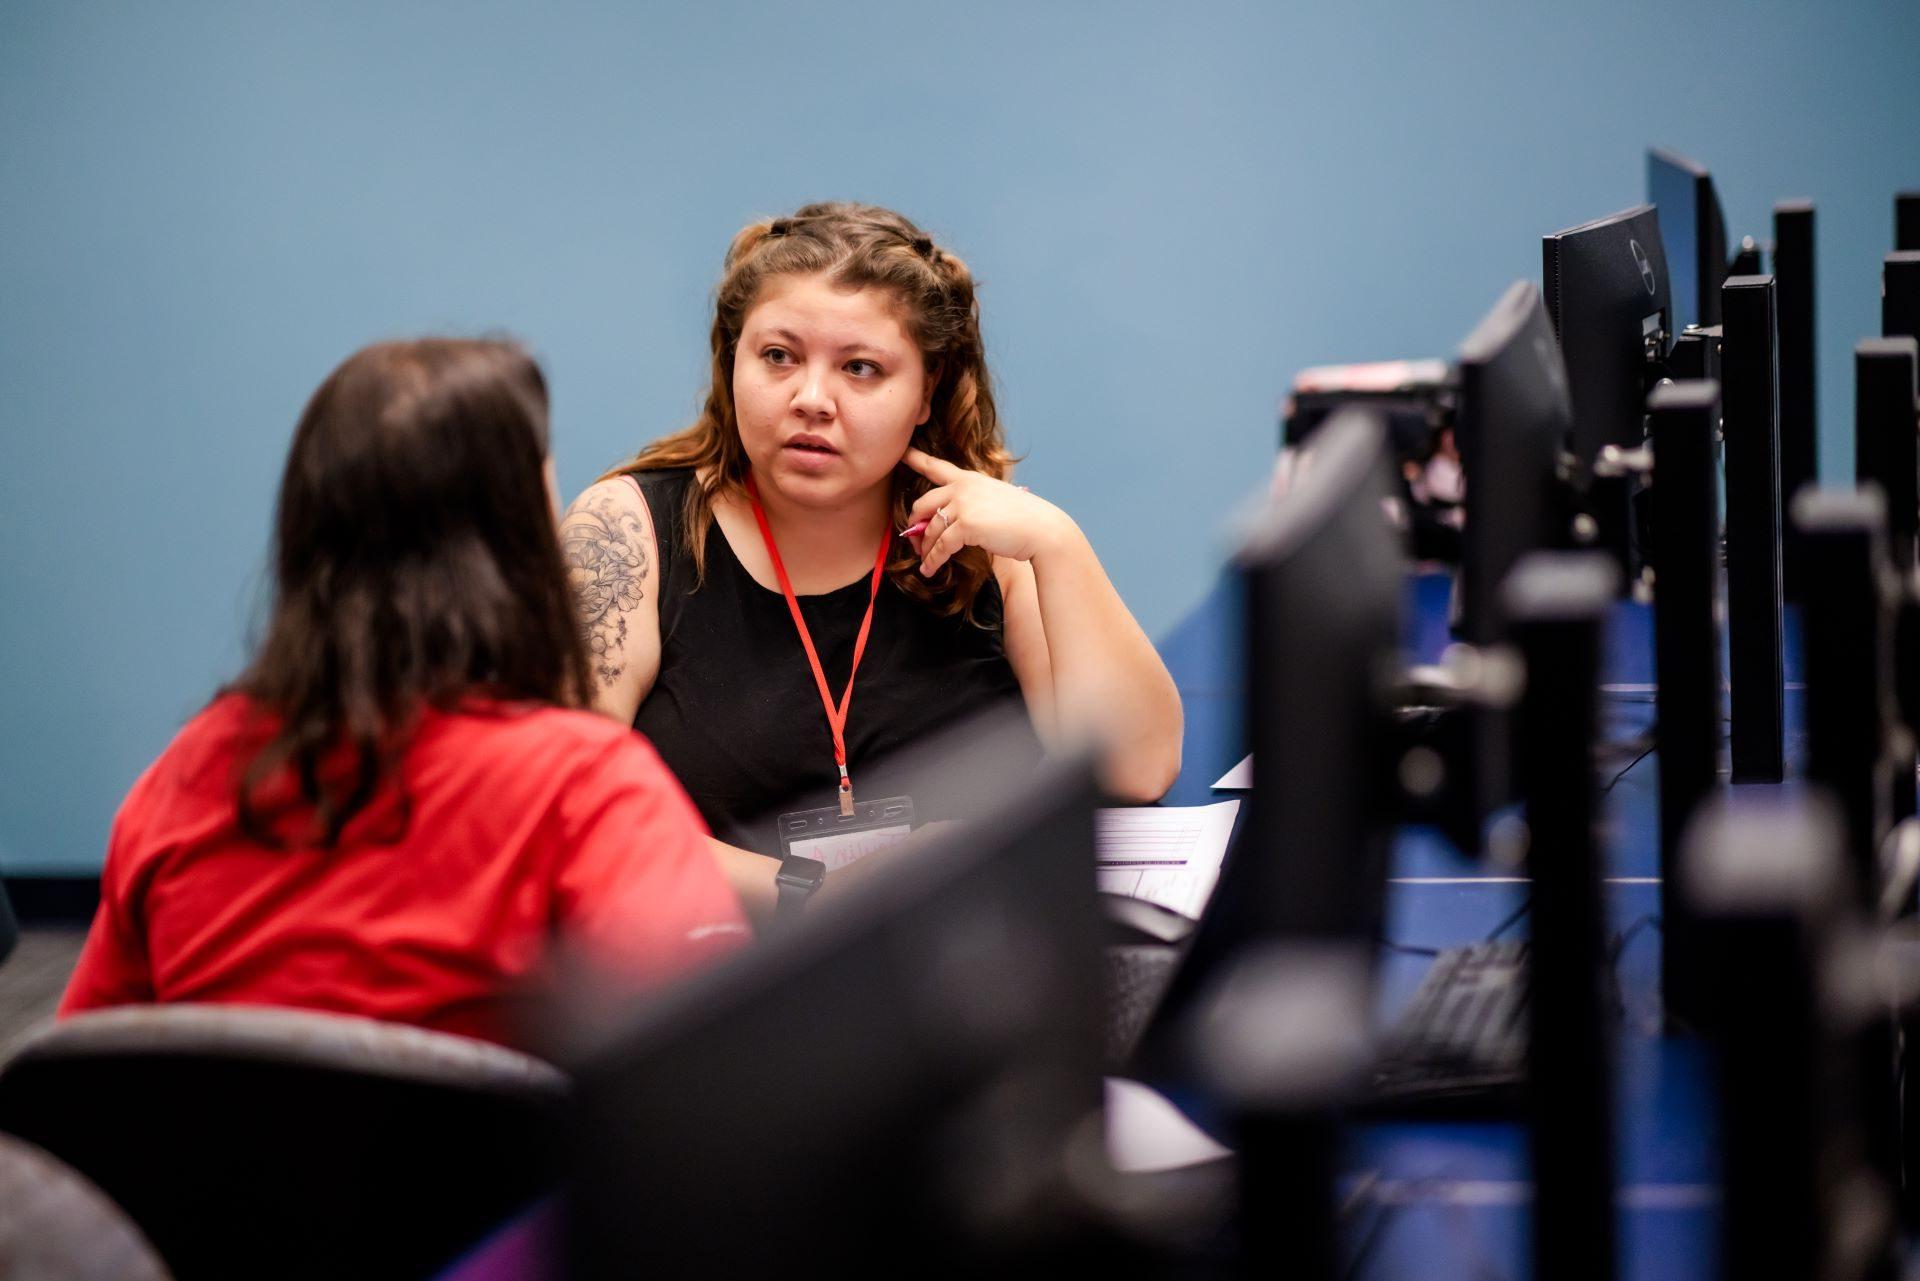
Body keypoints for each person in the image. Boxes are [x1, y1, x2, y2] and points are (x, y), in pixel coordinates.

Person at [61, 339, 747, 1047]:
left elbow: (76, 1085)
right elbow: (719, 1066)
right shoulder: (583, 787)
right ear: (518, 538)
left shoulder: (188, 775)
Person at [562, 202, 1183, 920]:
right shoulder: (627, 531)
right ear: (731, 358)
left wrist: (1058, 542)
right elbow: (568, 812)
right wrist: (810, 893)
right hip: (712, 976)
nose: (812, 399)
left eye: (861, 368)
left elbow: (1138, 769)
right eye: (778, 357)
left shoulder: (986, 540)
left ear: (926, 391)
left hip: (960, 976)